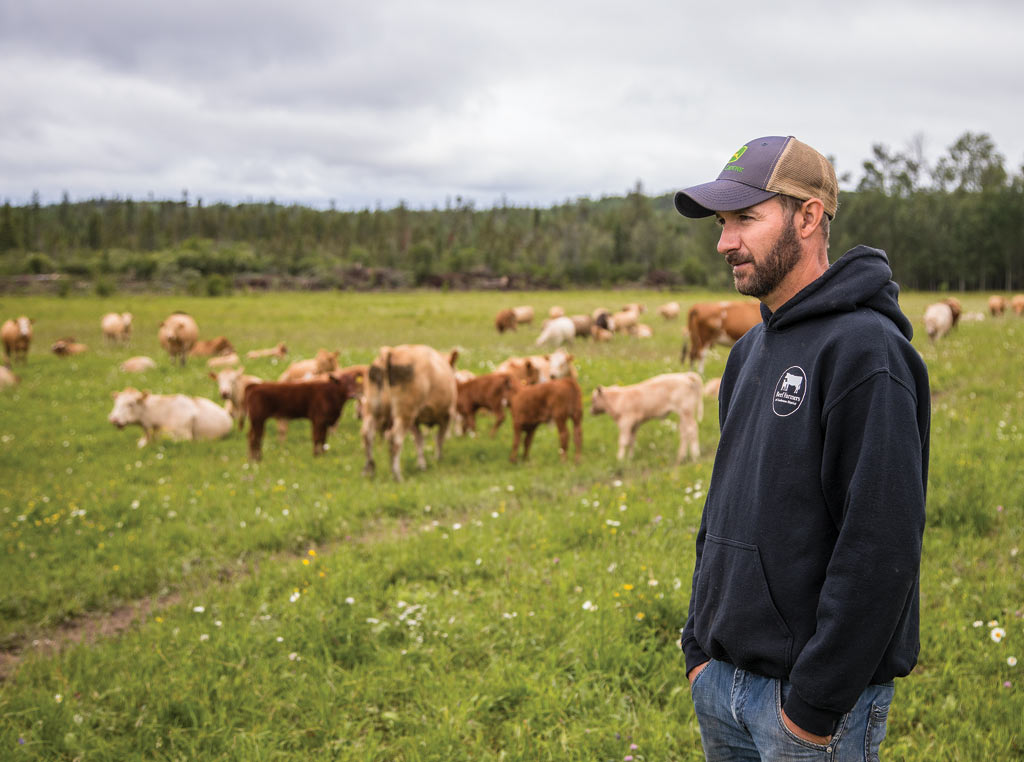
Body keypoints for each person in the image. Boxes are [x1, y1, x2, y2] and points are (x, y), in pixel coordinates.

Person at [674, 136, 930, 761]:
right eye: (722, 222)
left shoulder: (869, 354)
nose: (725, 241)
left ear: (808, 216)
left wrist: (811, 708)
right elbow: (726, 508)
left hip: (810, 709)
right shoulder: (747, 352)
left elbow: (882, 545)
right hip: (722, 683)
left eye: (745, 219)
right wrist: (698, 650)